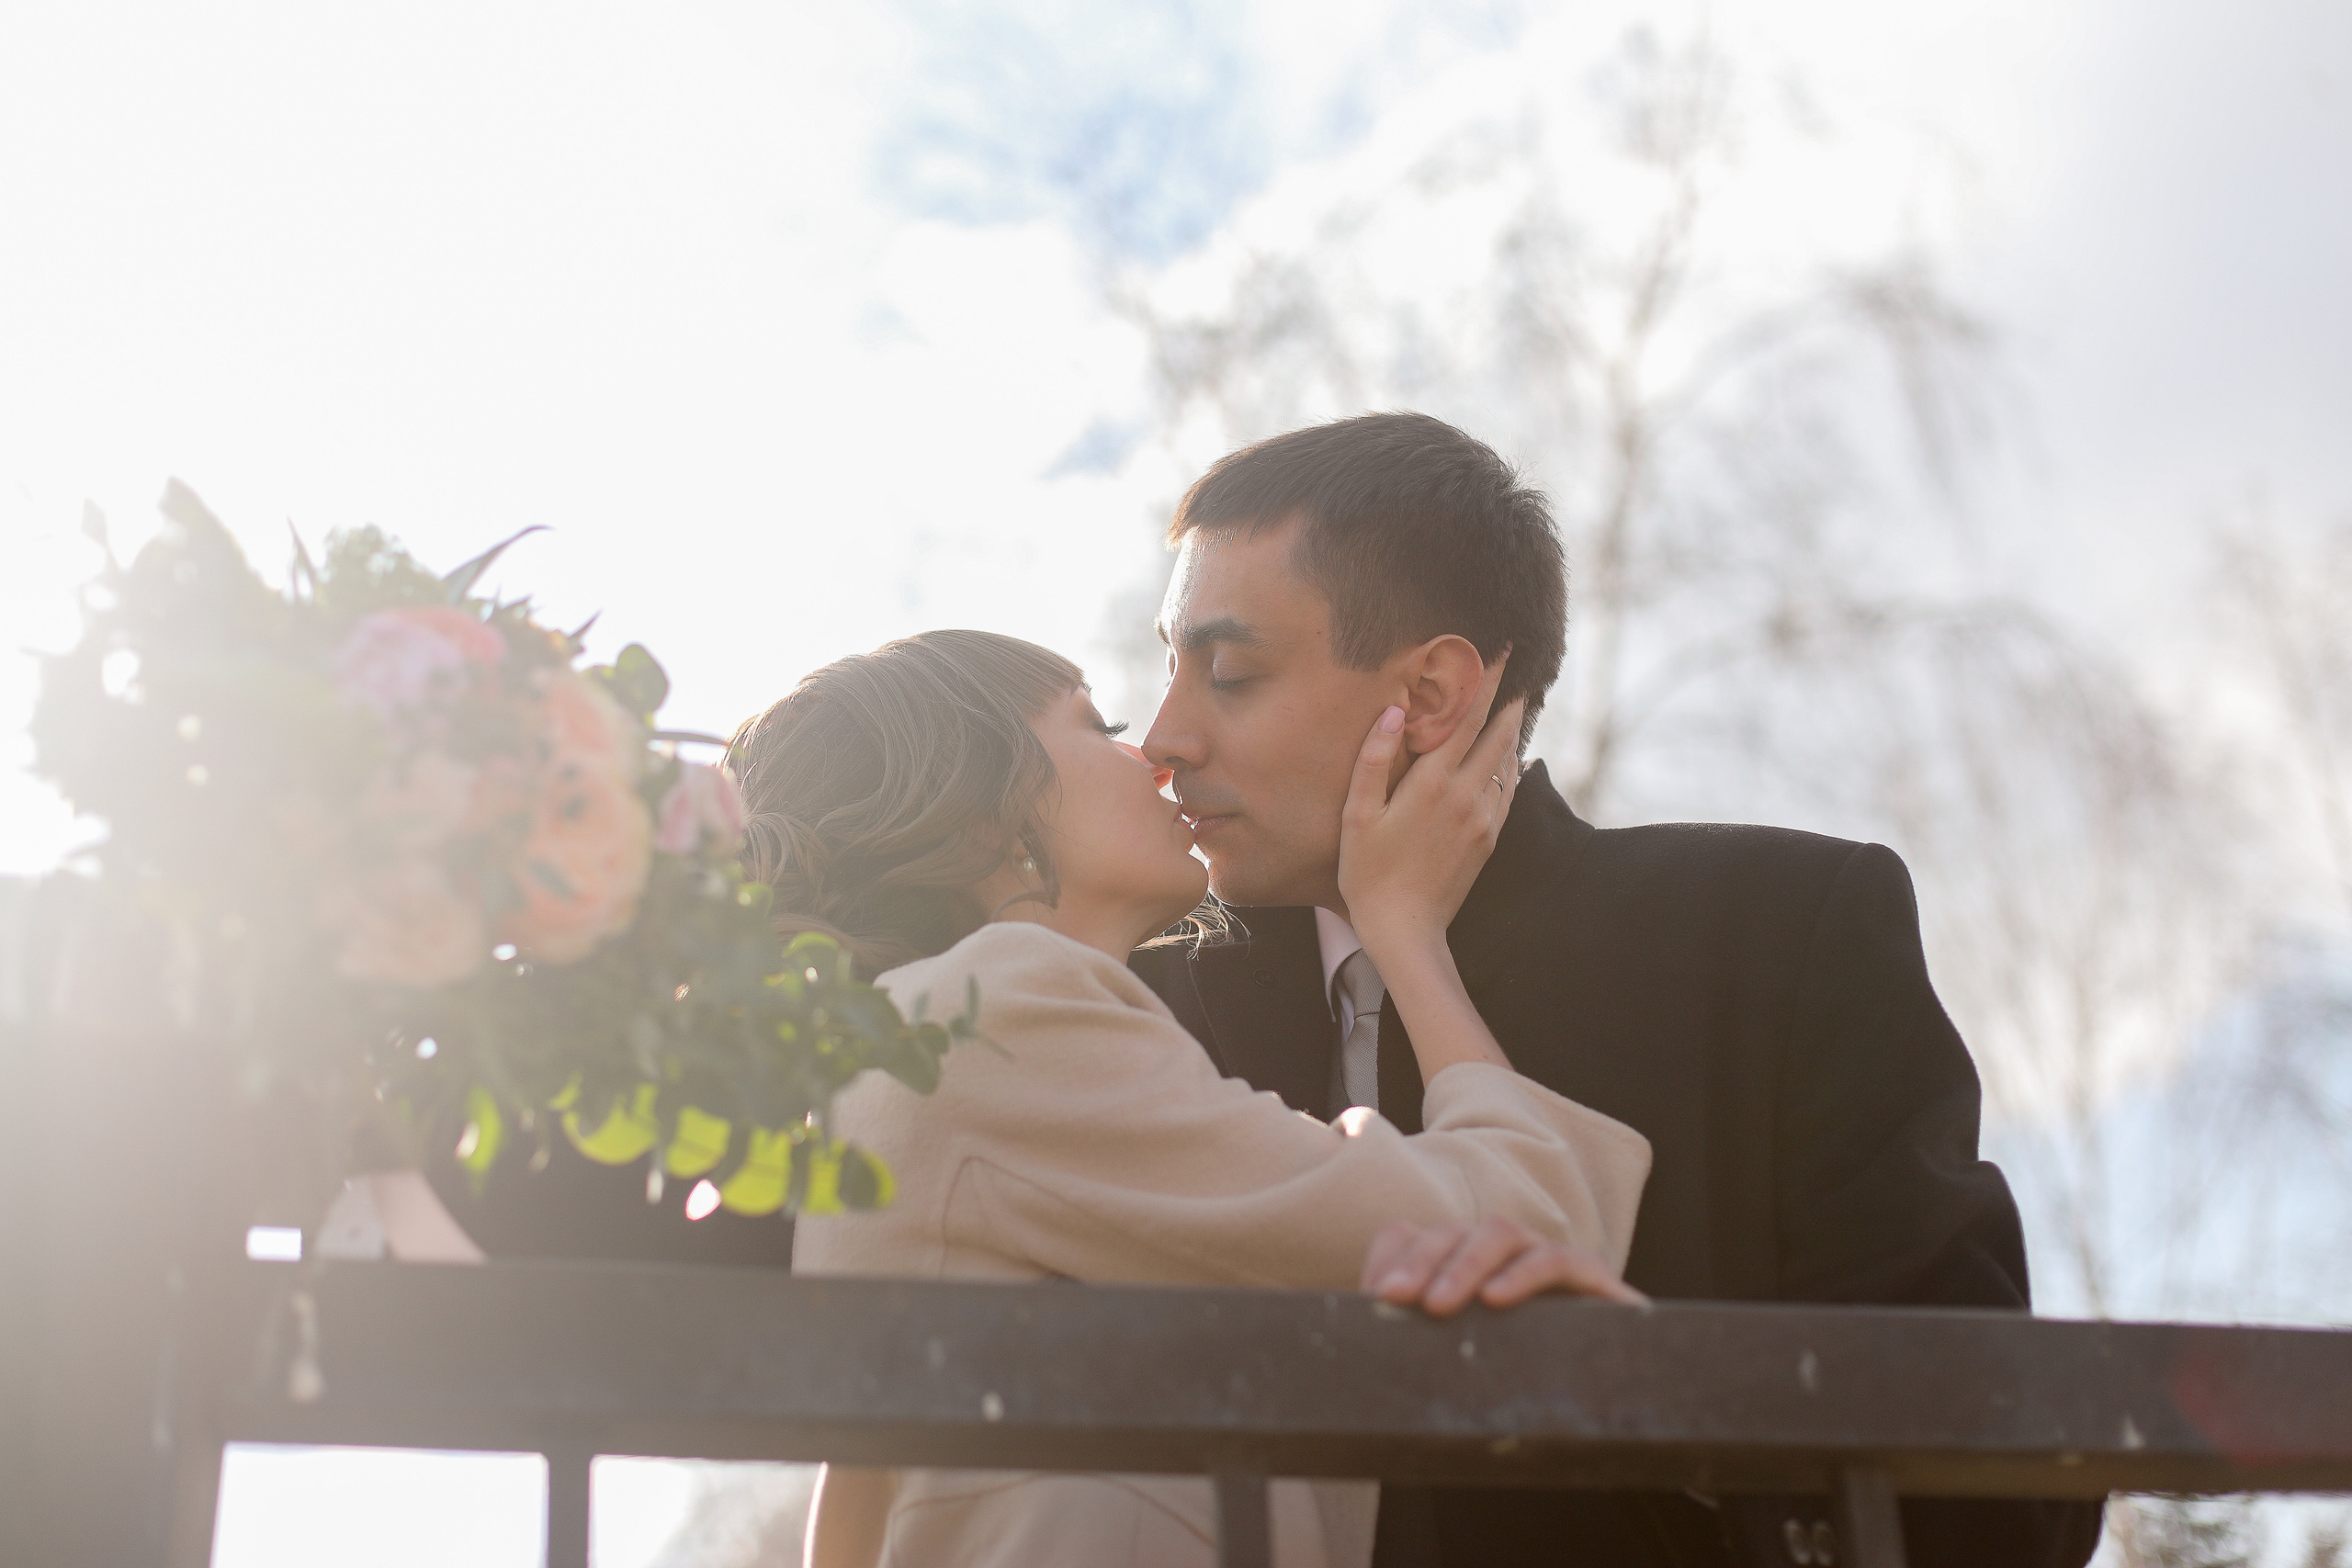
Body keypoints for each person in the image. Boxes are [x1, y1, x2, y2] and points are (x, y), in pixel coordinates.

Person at [1125, 412, 2107, 1568]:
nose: (1162, 737)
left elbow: (2004, 1509)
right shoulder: (1136, 1016)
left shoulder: (1777, 939)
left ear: (1429, 695)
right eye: (1169, 666)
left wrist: (1672, 1398)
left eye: (1230, 673)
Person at [732, 629, 1655, 1568]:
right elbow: (1522, 1221)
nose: (1155, 756)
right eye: (1098, 726)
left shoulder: (921, 1052)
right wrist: (1405, 928)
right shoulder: (991, 1016)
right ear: (982, 815)